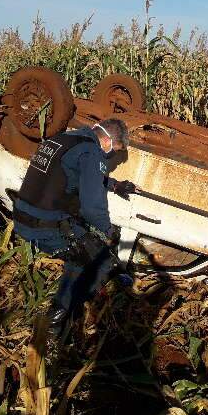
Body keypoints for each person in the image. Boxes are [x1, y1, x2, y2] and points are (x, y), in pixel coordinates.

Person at [13, 118, 136, 335]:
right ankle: (54, 323)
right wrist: (110, 231)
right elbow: (92, 209)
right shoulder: (92, 152)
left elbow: (76, 170)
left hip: (23, 216)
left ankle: (67, 309)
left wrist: (114, 185)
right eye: (114, 151)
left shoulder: (63, 139)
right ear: (107, 141)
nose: (111, 156)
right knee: (96, 260)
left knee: (86, 243)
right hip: (44, 225)